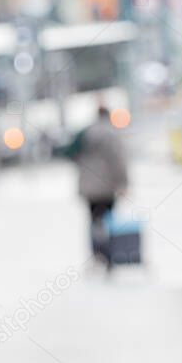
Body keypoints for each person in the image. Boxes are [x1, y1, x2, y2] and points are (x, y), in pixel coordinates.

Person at [73, 104, 128, 269]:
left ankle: (97, 255)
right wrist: (123, 183)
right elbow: (118, 161)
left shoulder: (84, 133)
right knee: (109, 221)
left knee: (93, 221)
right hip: (107, 187)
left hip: (88, 188)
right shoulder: (111, 134)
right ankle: (110, 256)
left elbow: (74, 156)